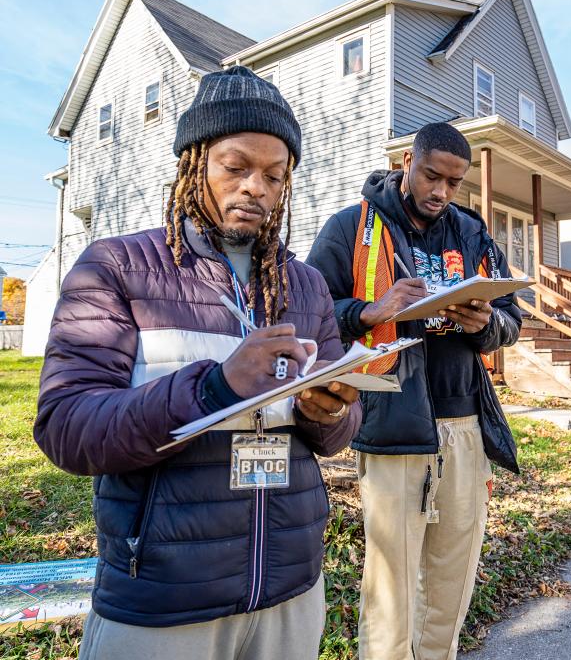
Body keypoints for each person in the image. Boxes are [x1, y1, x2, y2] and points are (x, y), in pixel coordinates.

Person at [34, 65, 361, 660]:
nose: (256, 187)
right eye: (236, 167)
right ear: (193, 164)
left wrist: (329, 412)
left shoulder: (308, 286)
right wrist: (213, 388)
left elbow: (337, 434)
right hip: (163, 599)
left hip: (290, 587)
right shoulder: (117, 267)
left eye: (274, 175)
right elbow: (66, 427)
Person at [307, 121, 522, 660]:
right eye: (431, 176)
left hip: (465, 424)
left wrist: (484, 324)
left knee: (452, 578)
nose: (441, 192)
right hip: (391, 421)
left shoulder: (473, 235)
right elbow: (310, 314)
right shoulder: (352, 226)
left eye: (454, 183)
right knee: (390, 585)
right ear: (407, 160)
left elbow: (511, 322)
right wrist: (370, 312)